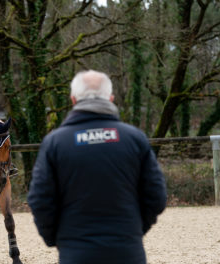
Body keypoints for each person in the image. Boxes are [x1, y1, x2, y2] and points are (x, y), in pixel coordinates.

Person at [27, 70, 167, 264]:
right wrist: (133, 231)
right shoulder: (134, 139)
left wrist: (57, 239)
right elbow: (157, 196)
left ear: (73, 99)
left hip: (75, 254)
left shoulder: (55, 143)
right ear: (110, 98)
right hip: (127, 252)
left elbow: (39, 200)